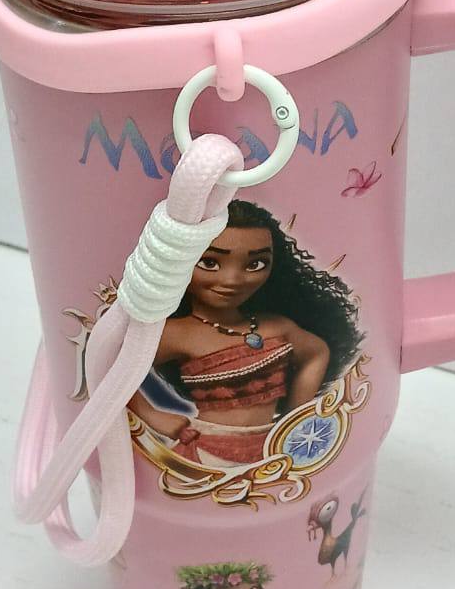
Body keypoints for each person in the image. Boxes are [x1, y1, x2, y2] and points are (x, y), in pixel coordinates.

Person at [129, 200, 362, 468]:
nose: (232, 280)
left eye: (255, 264)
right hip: (207, 453)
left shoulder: (277, 326)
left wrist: (294, 418)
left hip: (269, 449)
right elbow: (108, 364)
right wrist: (150, 414)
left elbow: (316, 352)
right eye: (209, 262)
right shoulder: (178, 333)